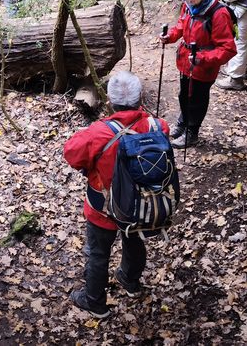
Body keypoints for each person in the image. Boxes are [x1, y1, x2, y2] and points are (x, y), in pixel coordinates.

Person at [63, 72, 170, 317]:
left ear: (110, 101)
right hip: (143, 206)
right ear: (140, 97)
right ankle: (129, 281)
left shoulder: (98, 132)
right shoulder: (158, 126)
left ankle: (95, 302)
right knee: (134, 241)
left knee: (98, 253)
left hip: (105, 208)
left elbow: (71, 153)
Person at [160, 0, 237, 148]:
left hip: (204, 67)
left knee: (197, 99)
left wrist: (202, 58)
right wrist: (169, 36)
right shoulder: (188, 6)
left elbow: (228, 48)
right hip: (186, 61)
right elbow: (181, 26)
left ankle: (192, 132)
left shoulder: (219, 14)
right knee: (184, 95)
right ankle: (183, 122)